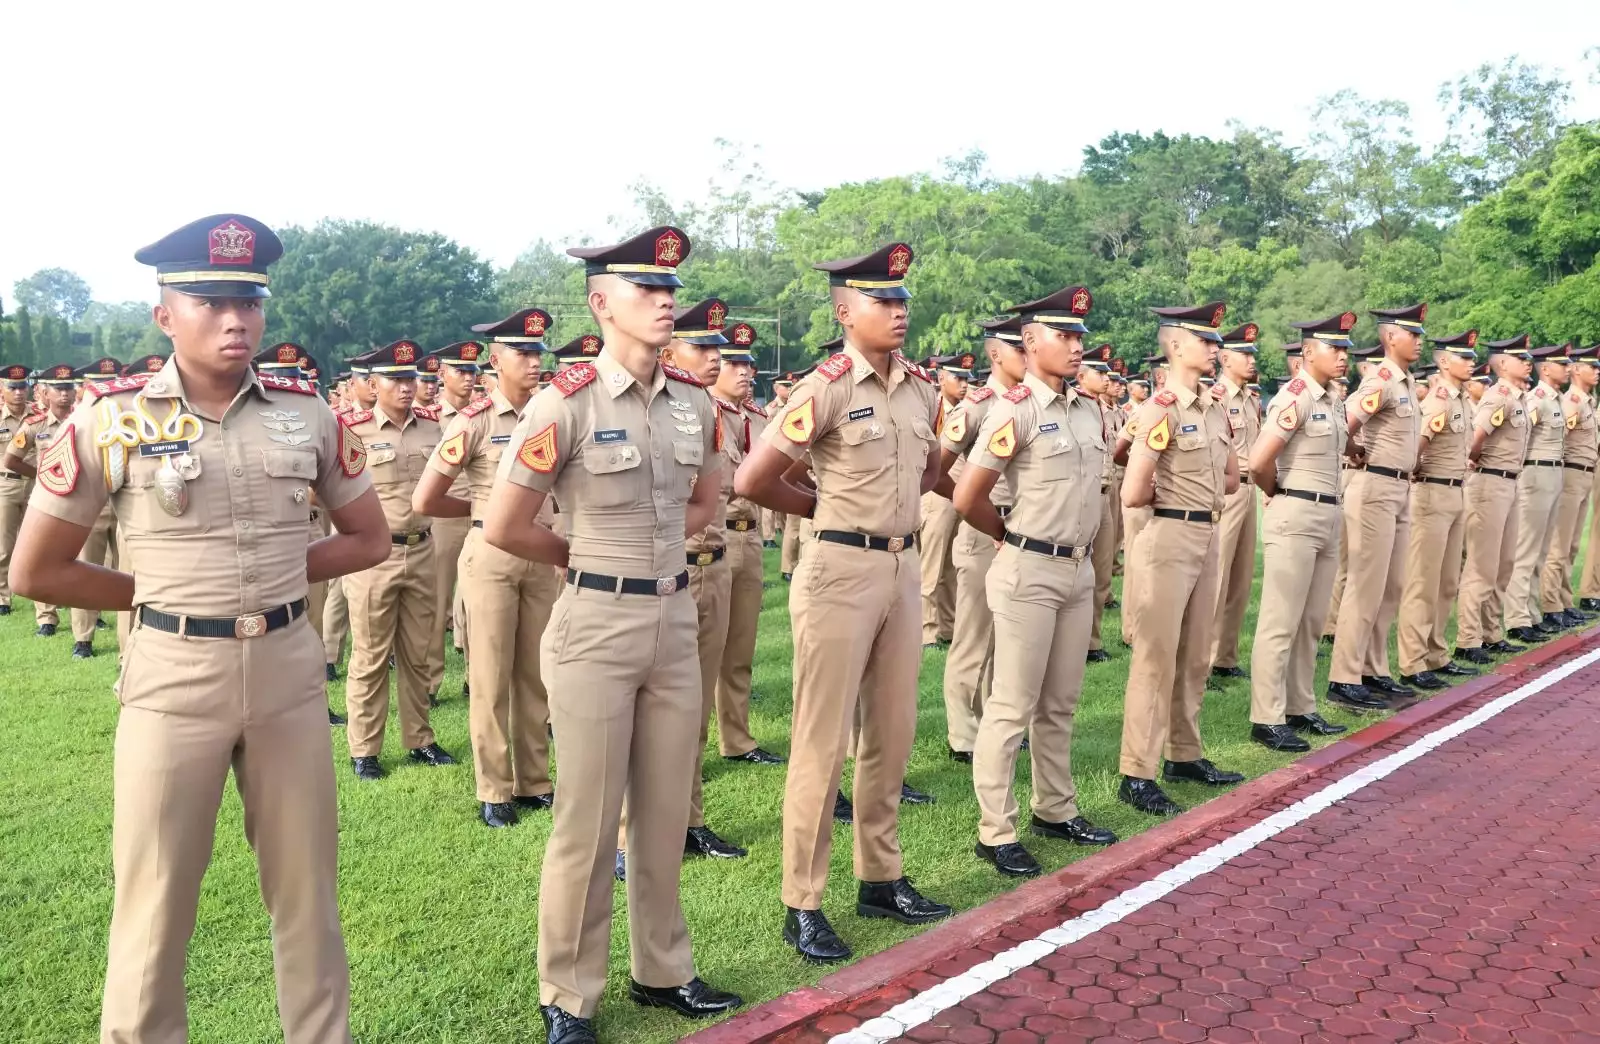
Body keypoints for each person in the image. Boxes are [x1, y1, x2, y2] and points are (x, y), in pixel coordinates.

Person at [9, 213, 388, 1043]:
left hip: (288, 675)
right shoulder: (110, 420)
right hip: (173, 677)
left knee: (308, 896)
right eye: (211, 301)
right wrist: (157, 595)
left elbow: (369, 538)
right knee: (154, 903)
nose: (235, 320)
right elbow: (35, 571)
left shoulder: (308, 415)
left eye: (249, 302)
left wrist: (281, 576)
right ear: (165, 315)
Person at [483, 226, 743, 1043]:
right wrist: (590, 560)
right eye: (647, 290)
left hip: (674, 618)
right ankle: (568, 995)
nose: (665, 302)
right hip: (594, 624)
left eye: (669, 289)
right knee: (588, 822)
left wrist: (654, 558)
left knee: (663, 815)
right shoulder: (564, 403)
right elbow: (506, 524)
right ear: (602, 303)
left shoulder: (694, 402)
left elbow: (707, 501)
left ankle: (663, 970)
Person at [736, 243, 952, 964]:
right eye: (881, 301)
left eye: (902, 300)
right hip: (838, 571)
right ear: (844, 312)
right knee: (822, 741)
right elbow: (754, 479)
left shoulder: (922, 390)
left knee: (891, 732)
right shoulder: (825, 388)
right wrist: (826, 509)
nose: (898, 311)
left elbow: (931, 470)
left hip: (901, 567)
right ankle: (802, 900)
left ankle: (881, 878)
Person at [952, 285, 1118, 878]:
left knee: (1060, 703)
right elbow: (967, 496)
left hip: (1077, 569)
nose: (1076, 346)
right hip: (1029, 569)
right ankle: (996, 831)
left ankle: (1056, 809)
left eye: (1079, 336)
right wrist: (1008, 536)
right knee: (1012, 706)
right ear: (1030, 340)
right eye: (1063, 335)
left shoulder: (1087, 409)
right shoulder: (1015, 409)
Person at [615, 297, 748, 878]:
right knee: (640, 713)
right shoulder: (644, 410)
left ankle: (689, 820)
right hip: (662, 572)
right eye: (702, 347)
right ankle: (627, 836)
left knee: (691, 708)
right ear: (671, 352)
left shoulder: (706, 412)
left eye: (719, 347)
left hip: (711, 567)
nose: (715, 357)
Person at [413, 309, 559, 828]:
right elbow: (426, 498)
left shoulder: (553, 413)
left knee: (536, 674)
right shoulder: (473, 422)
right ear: (495, 361)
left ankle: (534, 781)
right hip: (492, 555)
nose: (534, 362)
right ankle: (494, 788)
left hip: (541, 553)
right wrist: (484, 512)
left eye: (538, 352)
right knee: (490, 675)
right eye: (523, 352)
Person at [1117, 302, 1243, 816]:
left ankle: (1184, 753)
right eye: (1205, 341)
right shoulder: (1160, 408)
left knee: (1194, 654)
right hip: (1169, 535)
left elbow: (1232, 479)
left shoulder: (1213, 407)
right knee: (1156, 657)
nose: (1214, 349)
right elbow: (1132, 492)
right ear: (1175, 346)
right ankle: (1137, 772)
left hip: (1207, 533)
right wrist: (1172, 499)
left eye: (1215, 342)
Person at [339, 339, 456, 779]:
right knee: (370, 655)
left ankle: (419, 739)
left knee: (418, 652)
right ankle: (364, 748)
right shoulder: (353, 430)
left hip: (422, 548)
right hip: (375, 557)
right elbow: (326, 491)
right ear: (373, 385)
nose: (407, 387)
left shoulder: (434, 428)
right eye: (395, 379)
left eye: (410, 378)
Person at [1246, 318, 1354, 751]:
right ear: (1309, 353)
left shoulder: (1333, 400)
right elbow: (1258, 462)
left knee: (1311, 620)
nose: (1344, 356)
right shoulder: (1296, 397)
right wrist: (1279, 493)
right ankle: (1266, 716)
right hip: (1296, 510)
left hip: (1328, 512)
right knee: (1280, 621)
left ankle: (1300, 706)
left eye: (1346, 349)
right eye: (1335, 349)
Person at [1327, 305, 1426, 708]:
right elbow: (1342, 424)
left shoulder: (1405, 381)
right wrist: (1354, 450)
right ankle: (1343, 677)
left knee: (1391, 584)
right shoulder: (1381, 380)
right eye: (1412, 334)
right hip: (1376, 487)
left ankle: (1373, 668)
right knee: (1366, 584)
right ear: (1390, 338)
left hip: (1399, 488)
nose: (1419, 341)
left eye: (1420, 335)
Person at [936, 317, 1025, 762]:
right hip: (985, 530)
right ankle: (964, 735)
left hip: (1023, 531)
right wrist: (974, 506)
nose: (1028, 355)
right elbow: (934, 470)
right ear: (996, 354)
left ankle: (997, 721)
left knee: (1010, 637)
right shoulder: (978, 405)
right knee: (974, 635)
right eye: (1019, 348)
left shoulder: (1032, 401)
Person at [712, 322, 787, 766]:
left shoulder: (758, 420)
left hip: (749, 537)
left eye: (748, 364)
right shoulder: (698, 412)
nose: (744, 372)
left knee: (740, 649)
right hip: (710, 537)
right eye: (733, 363)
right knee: (699, 654)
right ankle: (683, 749)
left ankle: (737, 739)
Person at [1395, 331, 1484, 678]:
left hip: (1455, 491)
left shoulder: (1461, 399)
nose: (1472, 362)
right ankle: (1413, 662)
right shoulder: (1439, 401)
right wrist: (1417, 473)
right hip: (1432, 493)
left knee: (1447, 582)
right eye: (1464, 357)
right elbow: (1416, 447)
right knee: (1423, 582)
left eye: (1472, 356)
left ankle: (1436, 654)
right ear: (1444, 362)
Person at [1456, 337, 1536, 659]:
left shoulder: (1517, 398)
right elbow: (1474, 439)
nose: (1528, 363)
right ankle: (1468, 640)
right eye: (1520, 358)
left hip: (1510, 483)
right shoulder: (1499, 397)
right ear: (1502, 364)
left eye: (1528, 358)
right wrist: (1477, 462)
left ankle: (1491, 633)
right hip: (1490, 483)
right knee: (1481, 566)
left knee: (1504, 564)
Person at [420, 341, 483, 705]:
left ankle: (476, 676)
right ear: (442, 374)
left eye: (473, 371)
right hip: (445, 518)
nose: (469, 378)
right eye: (461, 371)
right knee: (438, 601)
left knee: (479, 602)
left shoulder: (483, 414)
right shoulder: (428, 419)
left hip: (481, 517)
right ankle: (430, 681)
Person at [2, 361, 78, 637]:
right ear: (46, 392)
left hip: (71, 495)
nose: (64, 394)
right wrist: (42, 475)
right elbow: (11, 458)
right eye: (58, 389)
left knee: (70, 554)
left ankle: (80, 609)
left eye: (68, 388)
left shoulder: (82, 420)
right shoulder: (35, 424)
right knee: (26, 551)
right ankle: (42, 615)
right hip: (30, 491)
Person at [1503, 344, 1570, 643]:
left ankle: (1531, 613)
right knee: (1526, 549)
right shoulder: (1537, 399)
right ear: (1546, 369)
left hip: (1553, 472)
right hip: (1536, 472)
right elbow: (1519, 435)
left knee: (1541, 550)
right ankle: (1517, 618)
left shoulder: (1555, 399)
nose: (1567, 369)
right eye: (1561, 364)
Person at [1206, 323, 1261, 683]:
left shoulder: (1250, 399)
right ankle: (1203, 661)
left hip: (1250, 489)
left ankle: (1226, 656)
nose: (1252, 360)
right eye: (1244, 354)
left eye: (1253, 354)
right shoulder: (1216, 398)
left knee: (1240, 579)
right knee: (1217, 576)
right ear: (1225, 359)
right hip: (1227, 490)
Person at [1544, 343, 1600, 625]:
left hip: (1584, 473)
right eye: (1593, 366)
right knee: (1560, 544)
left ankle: (1564, 601)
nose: (1598, 371)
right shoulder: (1573, 401)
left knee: (1572, 544)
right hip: (1570, 474)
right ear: (1577, 370)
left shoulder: (1587, 401)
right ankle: (1551, 604)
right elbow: (1559, 439)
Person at [919, 353, 972, 646]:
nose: (964, 384)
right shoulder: (932, 409)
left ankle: (948, 627)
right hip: (937, 494)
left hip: (960, 492)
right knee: (931, 564)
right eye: (958, 378)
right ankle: (927, 629)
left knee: (951, 565)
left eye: (967, 379)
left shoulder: (969, 409)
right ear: (941, 378)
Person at [1078, 343, 1120, 662]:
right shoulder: (1074, 407)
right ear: (1081, 376)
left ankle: (1091, 641)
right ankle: (1073, 639)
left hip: (1106, 494)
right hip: (1082, 496)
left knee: (1102, 572)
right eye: (1099, 372)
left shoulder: (1103, 410)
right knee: (1077, 571)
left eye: (1107, 373)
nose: (1106, 378)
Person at [0, 363, 35, 617]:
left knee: (39, 545)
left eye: (22, 386)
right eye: (13, 387)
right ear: (2, 389)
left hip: (37, 485)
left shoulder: (39, 415)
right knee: (4, 545)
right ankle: (2, 597)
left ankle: (44, 599)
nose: (19, 392)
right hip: (6, 484)